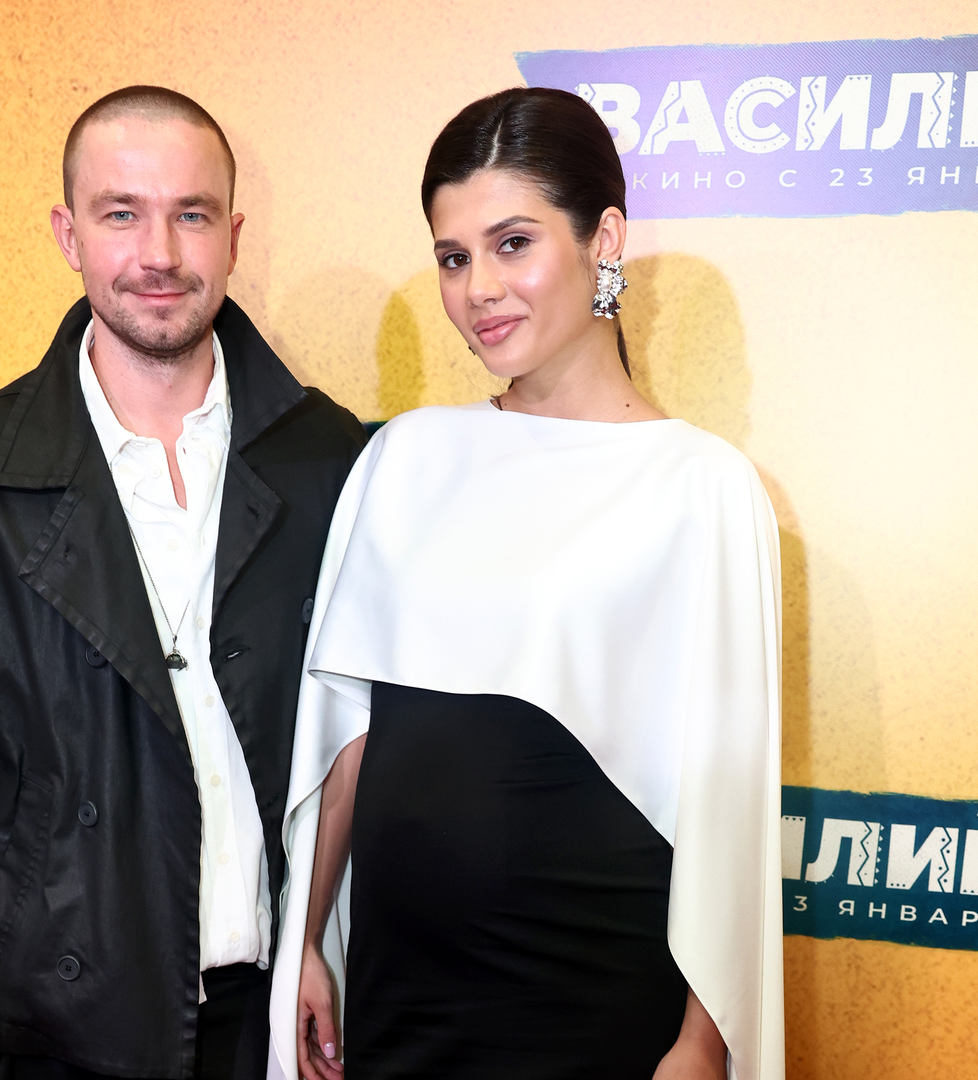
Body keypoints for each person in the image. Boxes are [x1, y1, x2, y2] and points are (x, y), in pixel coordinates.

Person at [0, 85, 366, 1080]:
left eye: (191, 214)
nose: (159, 253)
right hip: (55, 1018)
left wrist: (326, 943)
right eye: (122, 213)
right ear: (68, 235)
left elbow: (357, 740)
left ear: (233, 236)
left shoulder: (328, 457)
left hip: (275, 1014)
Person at [267, 88, 784, 1080]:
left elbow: (727, 794)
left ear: (606, 238)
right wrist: (309, 947)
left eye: (513, 244)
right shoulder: (405, 458)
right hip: (399, 999)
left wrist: (702, 1042)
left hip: (592, 997)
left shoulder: (703, 487)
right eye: (454, 257)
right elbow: (351, 732)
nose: (479, 290)